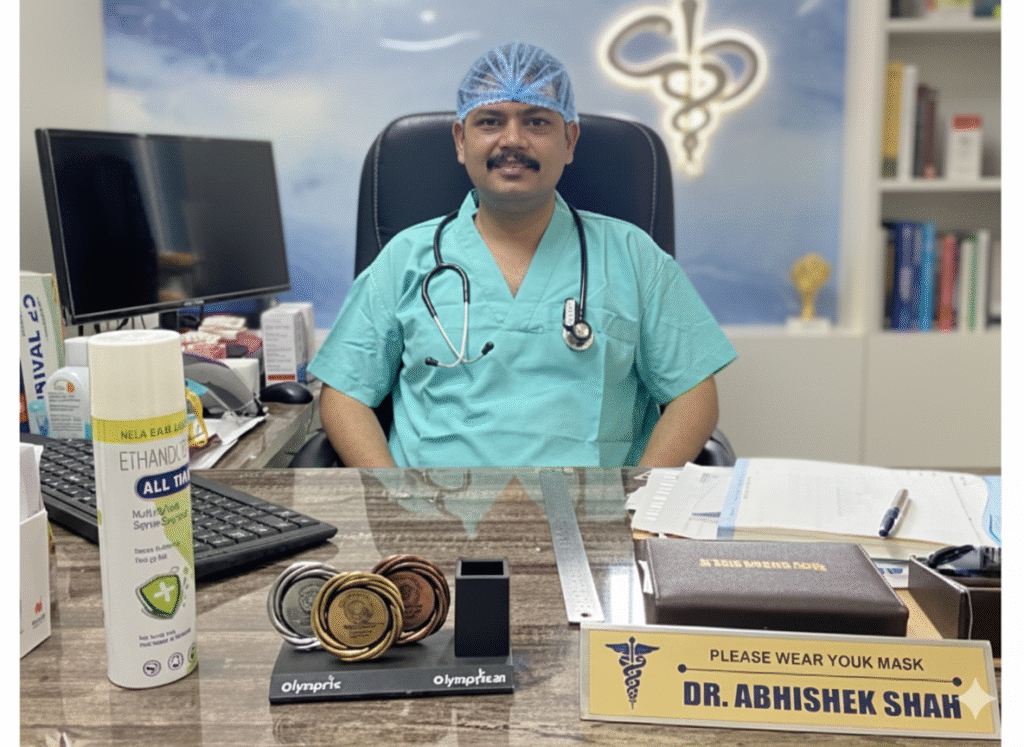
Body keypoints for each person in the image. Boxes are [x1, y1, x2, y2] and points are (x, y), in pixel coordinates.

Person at [308, 42, 737, 468]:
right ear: (460, 140)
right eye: (490, 121)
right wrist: (392, 499)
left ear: (569, 141)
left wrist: (636, 502)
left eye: (536, 122)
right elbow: (346, 395)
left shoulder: (634, 255)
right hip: (433, 518)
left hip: (594, 520)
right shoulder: (405, 257)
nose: (512, 141)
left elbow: (693, 397)